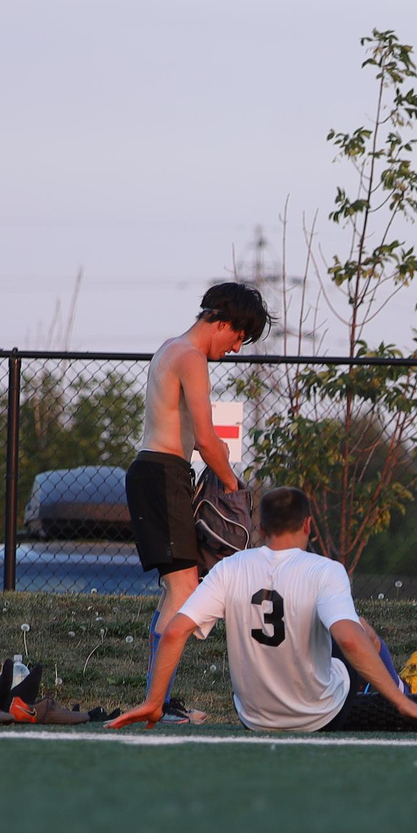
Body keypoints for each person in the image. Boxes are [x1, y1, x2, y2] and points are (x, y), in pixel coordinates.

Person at [110, 487, 417, 734]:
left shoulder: (229, 568)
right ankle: (408, 695)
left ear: (260, 529)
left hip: (254, 720)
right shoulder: (324, 569)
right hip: (322, 716)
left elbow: (173, 630)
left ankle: (390, 695)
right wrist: (401, 705)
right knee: (361, 629)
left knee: (337, 634)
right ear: (307, 525)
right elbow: (351, 640)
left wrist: (155, 702)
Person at [127, 282, 273, 724]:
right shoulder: (191, 358)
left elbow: (203, 440)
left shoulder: (171, 349)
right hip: (161, 474)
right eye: (238, 338)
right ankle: (159, 703)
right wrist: (233, 490)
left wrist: (224, 472)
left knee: (180, 590)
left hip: (162, 473)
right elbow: (208, 439)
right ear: (222, 323)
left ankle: (160, 700)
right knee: (184, 591)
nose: (235, 348)